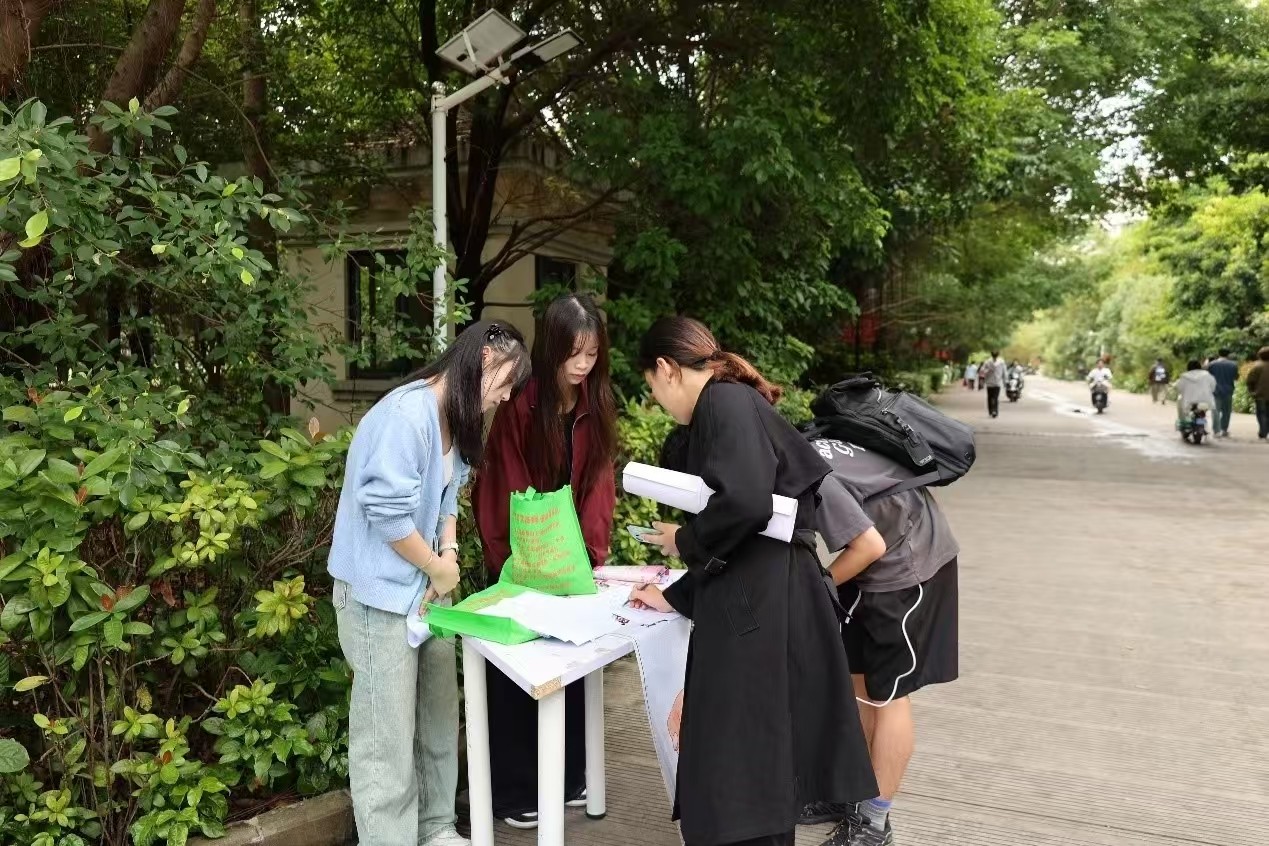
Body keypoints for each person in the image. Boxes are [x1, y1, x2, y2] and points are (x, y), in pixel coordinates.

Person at [628, 316, 877, 846]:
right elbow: (743, 526)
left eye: (652, 387)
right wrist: (678, 593)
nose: (659, 402)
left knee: (742, 768)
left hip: (765, 600)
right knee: (755, 767)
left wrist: (685, 541)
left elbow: (744, 503)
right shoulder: (731, 402)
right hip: (762, 592)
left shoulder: (723, 401)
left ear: (666, 369)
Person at [328, 321, 531, 846]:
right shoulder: (405, 416)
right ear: (485, 359)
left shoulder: (455, 416)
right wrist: (438, 568)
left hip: (429, 591)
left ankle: (437, 828)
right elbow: (386, 512)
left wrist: (450, 553)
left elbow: (449, 495)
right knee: (386, 740)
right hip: (377, 597)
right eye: (507, 383)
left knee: (439, 716)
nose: (506, 398)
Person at [471, 294, 618, 828]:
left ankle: (571, 777)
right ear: (551, 348)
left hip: (571, 562)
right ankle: (514, 792)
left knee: (571, 664)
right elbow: (502, 483)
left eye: (592, 354)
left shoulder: (595, 400)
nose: (583, 365)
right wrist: (516, 560)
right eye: (574, 354)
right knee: (517, 673)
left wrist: (590, 556)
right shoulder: (520, 403)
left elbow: (599, 481)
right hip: (521, 560)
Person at [803, 436, 961, 846]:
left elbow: (868, 545)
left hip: (908, 566)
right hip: (872, 560)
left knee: (887, 695)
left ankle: (873, 822)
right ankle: (849, 792)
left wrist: (815, 588)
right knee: (858, 683)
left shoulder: (809, 473)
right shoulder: (796, 447)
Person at [1175, 360, 1217, 428]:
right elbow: (1213, 386)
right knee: (1203, 411)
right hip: (1205, 400)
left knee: (1180, 400)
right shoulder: (1207, 375)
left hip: (1188, 401)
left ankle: (1183, 422)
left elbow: (1179, 388)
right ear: (1200, 367)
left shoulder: (1184, 376)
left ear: (1188, 367)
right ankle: (1202, 422)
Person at [1207, 349, 1239, 437]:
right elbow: (1236, 377)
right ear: (1228, 354)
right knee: (1226, 411)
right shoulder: (1233, 365)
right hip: (1228, 390)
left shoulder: (1212, 364)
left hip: (1215, 390)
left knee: (1215, 411)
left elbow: (1208, 376)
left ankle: (1216, 430)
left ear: (1218, 354)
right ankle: (1224, 429)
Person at [1248, 347, 1269, 441]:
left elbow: (1250, 380)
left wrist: (1252, 391)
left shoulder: (1257, 366)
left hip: (1260, 394)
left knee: (1262, 414)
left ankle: (1263, 432)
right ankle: (1265, 431)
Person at [980, 352, 1007, 417]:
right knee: (990, 397)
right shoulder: (987, 362)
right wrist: (988, 370)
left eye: (996, 356)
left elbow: (1004, 372)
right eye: (994, 356)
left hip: (997, 382)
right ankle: (990, 411)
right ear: (992, 355)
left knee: (995, 397)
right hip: (989, 382)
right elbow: (982, 370)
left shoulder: (1001, 362)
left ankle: (995, 411)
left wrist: (1005, 382)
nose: (995, 357)